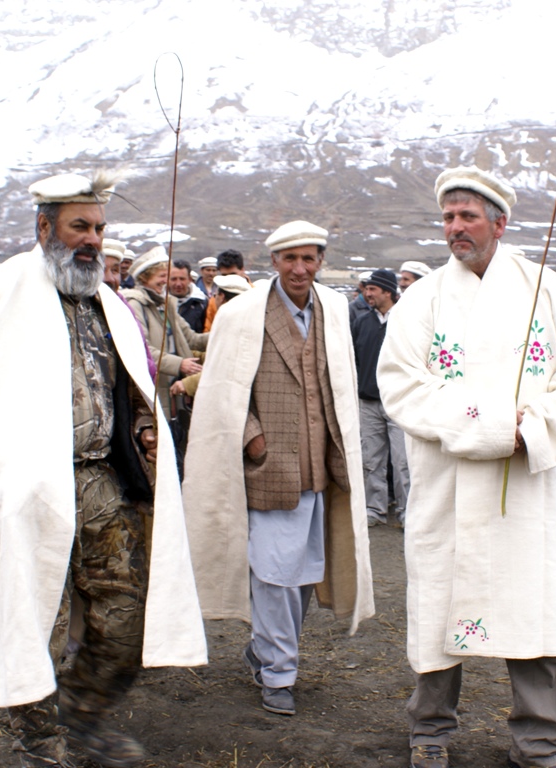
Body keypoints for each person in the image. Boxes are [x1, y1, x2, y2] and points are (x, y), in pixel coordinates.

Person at [0, 172, 206, 768]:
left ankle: (82, 712)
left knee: (127, 614)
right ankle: (39, 738)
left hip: (97, 480)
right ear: (44, 228)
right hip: (21, 486)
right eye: (79, 226)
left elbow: (125, 383)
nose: (93, 240)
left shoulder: (107, 301)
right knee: (28, 611)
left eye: (100, 228)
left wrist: (141, 425)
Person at [378, 166, 556, 768]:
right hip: (446, 484)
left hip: (524, 488)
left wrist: (528, 433)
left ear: (500, 223)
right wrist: (491, 427)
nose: (455, 228)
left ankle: (538, 739)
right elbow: (401, 384)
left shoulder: (547, 292)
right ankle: (429, 732)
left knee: (533, 608)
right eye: (448, 217)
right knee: (438, 609)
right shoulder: (422, 299)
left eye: (467, 216)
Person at [182, 220, 374, 718]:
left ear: (320, 262)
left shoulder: (333, 309)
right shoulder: (242, 313)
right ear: (274, 261)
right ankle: (278, 672)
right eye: (290, 258)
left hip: (322, 467)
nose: (300, 268)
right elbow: (222, 389)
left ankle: (265, 651)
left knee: (305, 573)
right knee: (273, 575)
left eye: (309, 258)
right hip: (269, 468)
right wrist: (254, 439)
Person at [351, 268, 411, 528]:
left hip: (399, 402)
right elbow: (352, 358)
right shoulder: (361, 322)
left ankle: (408, 511)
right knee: (371, 460)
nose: (367, 293)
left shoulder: (406, 320)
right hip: (368, 403)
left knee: (403, 461)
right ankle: (374, 510)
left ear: (388, 292)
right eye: (366, 288)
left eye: (373, 289)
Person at [122, 247, 208, 422]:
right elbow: (141, 349)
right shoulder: (136, 305)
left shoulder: (166, 305)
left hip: (173, 387)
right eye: (162, 276)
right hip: (155, 385)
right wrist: (179, 364)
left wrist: (224, 332)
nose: (166, 281)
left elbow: (192, 339)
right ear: (146, 276)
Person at [202, 249, 248, 332]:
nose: (229, 279)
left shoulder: (257, 296)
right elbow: (208, 331)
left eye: (233, 275)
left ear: (242, 270)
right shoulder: (214, 301)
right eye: (224, 275)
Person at [169, 259, 208, 332]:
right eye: (174, 279)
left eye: (182, 279)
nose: (178, 284)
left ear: (189, 279)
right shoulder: (158, 303)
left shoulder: (202, 303)